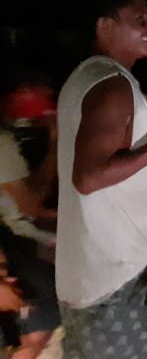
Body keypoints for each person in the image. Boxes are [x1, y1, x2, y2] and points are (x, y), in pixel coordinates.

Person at [56, 0, 147, 359]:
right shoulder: (112, 87)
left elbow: (101, 150)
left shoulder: (89, 78)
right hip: (116, 280)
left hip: (105, 274)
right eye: (140, 20)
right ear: (105, 25)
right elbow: (88, 177)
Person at [0, 93, 59, 359]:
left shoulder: (8, 142)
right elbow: (31, 205)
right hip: (23, 239)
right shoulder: (3, 143)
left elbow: (31, 199)